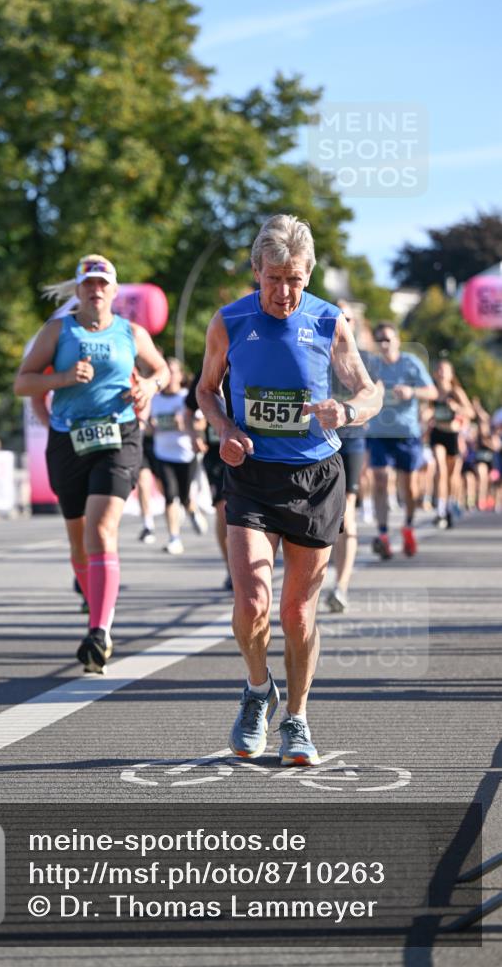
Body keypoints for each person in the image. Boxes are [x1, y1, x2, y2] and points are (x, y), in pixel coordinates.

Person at [197, 215, 381, 766]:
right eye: (273, 278)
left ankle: (296, 719)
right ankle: (258, 690)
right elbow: (206, 391)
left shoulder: (330, 321)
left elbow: (370, 391)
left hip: (316, 479)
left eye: (295, 279)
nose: (284, 291)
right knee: (251, 600)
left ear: (309, 274)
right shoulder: (229, 321)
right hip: (252, 476)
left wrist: (346, 411)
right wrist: (226, 430)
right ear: (256, 272)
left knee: (299, 614)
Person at [14, 254, 169, 673]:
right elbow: (22, 382)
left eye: (103, 284)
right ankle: (95, 613)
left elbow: (161, 370)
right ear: (78, 291)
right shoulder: (57, 331)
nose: (96, 290)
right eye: (88, 284)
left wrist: (149, 387)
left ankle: (99, 630)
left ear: (114, 291)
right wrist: (61, 380)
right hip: (69, 438)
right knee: (79, 541)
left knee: (103, 528)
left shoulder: (131, 332)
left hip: (118, 435)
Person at [325, 303, 381, 613]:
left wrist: (353, 410)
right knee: (322, 519)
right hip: (316, 444)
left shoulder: (367, 360)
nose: (340, 324)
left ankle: (341, 586)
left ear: (354, 324)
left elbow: (376, 398)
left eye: (345, 319)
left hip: (351, 443)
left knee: (346, 515)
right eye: (335, 319)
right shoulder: (313, 352)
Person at [366, 322, 438, 559]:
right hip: (378, 432)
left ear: (397, 340)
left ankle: (408, 526)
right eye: (380, 340)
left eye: (387, 339)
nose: (384, 344)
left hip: (407, 433)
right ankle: (383, 533)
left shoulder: (410, 363)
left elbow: (433, 392)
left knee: (408, 486)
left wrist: (412, 392)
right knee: (380, 479)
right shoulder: (373, 365)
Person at [150, 357, 207, 555]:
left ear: (181, 376)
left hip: (185, 454)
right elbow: (148, 427)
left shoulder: (185, 397)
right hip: (163, 454)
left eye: (174, 372)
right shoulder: (155, 399)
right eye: (168, 372)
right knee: (170, 496)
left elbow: (201, 423)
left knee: (183, 497)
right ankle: (174, 538)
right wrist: (151, 426)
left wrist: (184, 423)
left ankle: (192, 510)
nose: (171, 376)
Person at [185, 365, 233, 590]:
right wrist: (194, 436)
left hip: (251, 450)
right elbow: (187, 410)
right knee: (223, 509)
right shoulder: (210, 368)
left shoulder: (256, 359)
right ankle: (231, 569)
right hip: (217, 453)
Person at [429, 358, 473, 528]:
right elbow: (426, 410)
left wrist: (456, 408)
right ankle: (440, 511)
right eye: (438, 369)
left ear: (451, 374)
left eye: (444, 369)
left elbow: (470, 412)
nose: (441, 372)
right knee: (440, 470)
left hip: (453, 435)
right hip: (438, 433)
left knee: (452, 476)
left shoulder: (456, 392)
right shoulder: (432, 392)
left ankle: (449, 506)